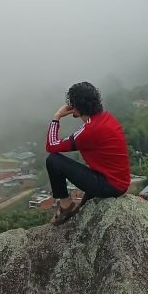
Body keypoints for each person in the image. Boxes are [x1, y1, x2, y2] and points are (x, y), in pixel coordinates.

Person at [45, 81, 130, 225]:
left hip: (108, 185)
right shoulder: (106, 117)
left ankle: (65, 206)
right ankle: (72, 211)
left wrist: (56, 117)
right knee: (81, 215)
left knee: (53, 160)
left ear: (76, 108)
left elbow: (51, 146)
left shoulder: (91, 130)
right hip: (118, 181)